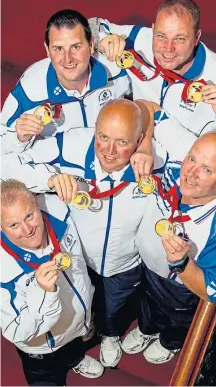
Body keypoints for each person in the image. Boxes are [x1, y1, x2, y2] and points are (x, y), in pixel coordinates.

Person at [0, 99, 166, 368]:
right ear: (95, 131)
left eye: (122, 142)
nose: (109, 152)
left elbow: (146, 105)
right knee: (85, 300)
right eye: (103, 138)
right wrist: (49, 180)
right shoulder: (73, 145)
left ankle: (110, 336)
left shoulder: (153, 162)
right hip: (78, 256)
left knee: (116, 307)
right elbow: (5, 164)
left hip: (124, 262)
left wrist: (147, 145)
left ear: (138, 139)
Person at [120, 115, 216, 364]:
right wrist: (144, 147)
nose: (191, 173)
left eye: (207, 170)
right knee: (149, 305)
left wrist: (183, 263)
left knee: (179, 319)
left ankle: (169, 342)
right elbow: (148, 110)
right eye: (192, 159)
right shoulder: (184, 154)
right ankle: (147, 329)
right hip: (148, 269)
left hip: (180, 288)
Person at [1, 9, 153, 179]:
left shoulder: (116, 67)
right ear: (47, 49)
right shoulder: (31, 88)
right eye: (58, 48)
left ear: (91, 44)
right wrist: (19, 137)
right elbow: (3, 151)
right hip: (62, 186)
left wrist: (144, 146)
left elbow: (150, 102)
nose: (67, 59)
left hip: (118, 177)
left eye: (76, 47)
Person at [0, 180, 104, 385]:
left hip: (77, 326)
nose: (27, 229)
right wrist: (44, 294)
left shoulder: (57, 209)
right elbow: (15, 332)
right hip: (42, 349)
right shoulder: (4, 270)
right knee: (46, 377)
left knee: (73, 348)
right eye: (14, 225)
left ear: (37, 204)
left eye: (29, 215)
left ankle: (75, 359)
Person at [89, 0, 216, 136]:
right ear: (152, 30)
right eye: (161, 36)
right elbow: (88, 25)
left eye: (179, 39)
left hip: (186, 157)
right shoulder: (138, 38)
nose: (168, 48)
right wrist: (100, 41)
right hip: (135, 147)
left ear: (197, 37)